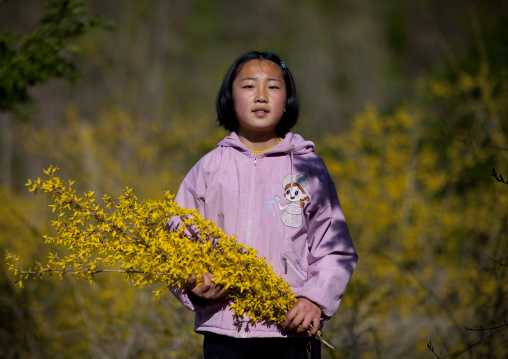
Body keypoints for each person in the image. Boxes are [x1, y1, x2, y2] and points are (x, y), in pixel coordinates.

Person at [167, 50, 358, 359]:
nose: (260, 96)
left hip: (290, 327)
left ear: (287, 100)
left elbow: (335, 248)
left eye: (273, 86)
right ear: (230, 98)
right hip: (224, 328)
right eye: (248, 86)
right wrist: (193, 284)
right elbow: (177, 240)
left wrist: (315, 301)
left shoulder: (308, 168)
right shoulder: (209, 168)